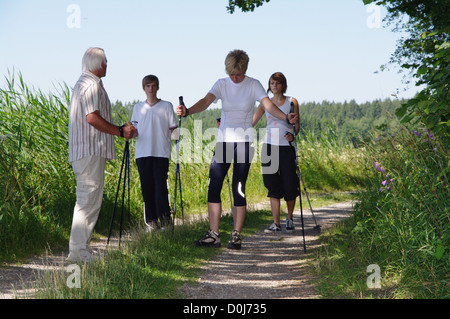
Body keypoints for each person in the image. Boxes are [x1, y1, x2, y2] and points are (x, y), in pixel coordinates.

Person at [176, 50, 297, 249]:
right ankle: (214, 234)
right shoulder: (222, 84)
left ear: (245, 70)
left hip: (244, 142)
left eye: (238, 74)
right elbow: (206, 101)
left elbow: (267, 105)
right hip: (224, 141)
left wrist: (285, 118)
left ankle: (236, 234)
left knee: (238, 188)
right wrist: (187, 110)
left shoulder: (253, 84)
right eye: (232, 73)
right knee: (213, 185)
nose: (235, 77)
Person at [68, 47, 137, 262]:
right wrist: (119, 131)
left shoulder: (83, 82)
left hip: (84, 150)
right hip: (90, 150)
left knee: (88, 199)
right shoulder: (91, 84)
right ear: (99, 64)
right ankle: (79, 252)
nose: (107, 65)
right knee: (88, 200)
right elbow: (92, 118)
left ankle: (81, 249)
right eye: (105, 61)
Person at [252, 72, 300, 233]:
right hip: (269, 147)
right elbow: (251, 122)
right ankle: (276, 223)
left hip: (286, 147)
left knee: (290, 183)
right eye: (272, 83)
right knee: (272, 184)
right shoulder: (265, 103)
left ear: (283, 85)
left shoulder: (291, 101)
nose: (275, 86)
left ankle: (290, 218)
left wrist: (292, 135)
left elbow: (297, 126)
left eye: (278, 83)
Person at [131, 75, 177, 232]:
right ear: (144, 88)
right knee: (147, 188)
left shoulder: (166, 106)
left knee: (160, 188)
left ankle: (165, 221)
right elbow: (134, 130)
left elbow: (173, 129)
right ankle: (151, 222)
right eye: (148, 86)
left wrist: (178, 140)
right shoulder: (138, 108)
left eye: (154, 86)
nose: (151, 89)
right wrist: (127, 133)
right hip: (142, 153)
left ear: (158, 87)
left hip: (161, 152)